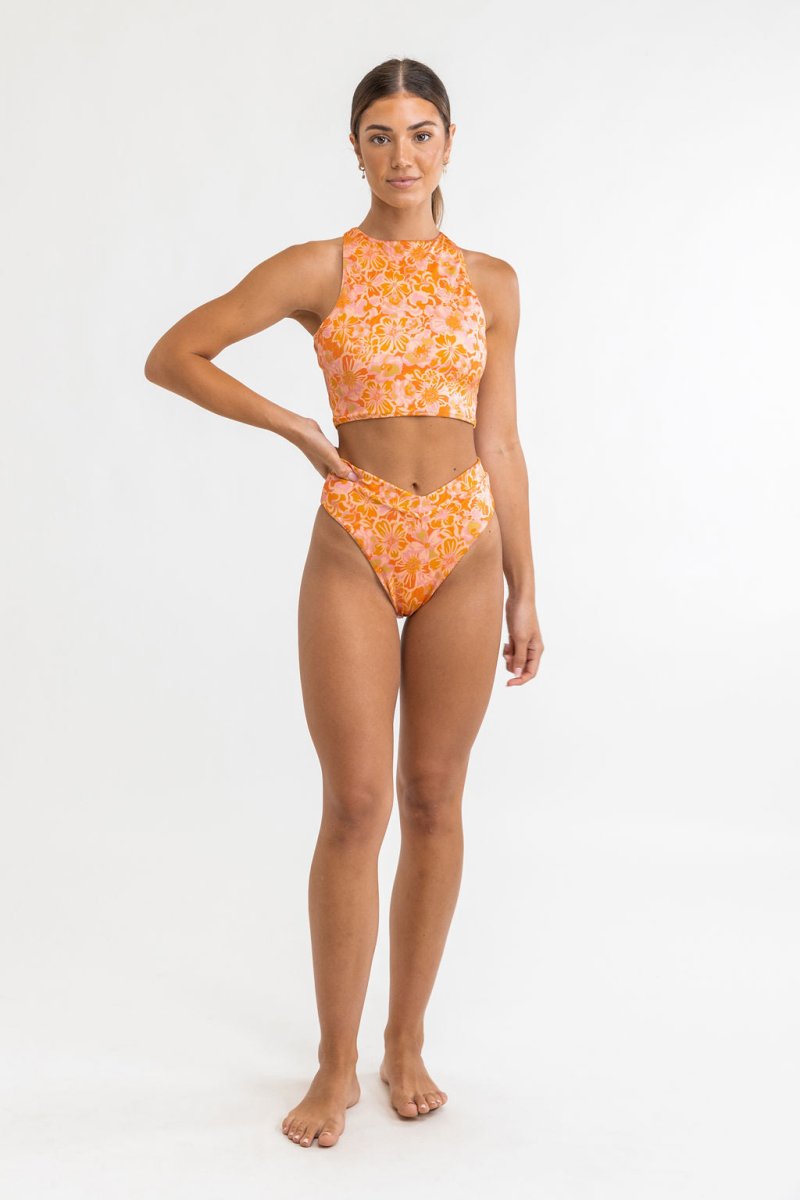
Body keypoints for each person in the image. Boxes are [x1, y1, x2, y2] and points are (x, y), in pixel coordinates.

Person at [144, 56, 543, 1150]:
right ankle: (333, 1064)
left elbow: (503, 439)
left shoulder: (493, 283)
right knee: (357, 806)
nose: (401, 155)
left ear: (448, 145)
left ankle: (404, 1042)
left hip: (464, 545)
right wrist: (291, 425)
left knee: (434, 799)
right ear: (355, 149)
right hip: (355, 541)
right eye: (379, 135)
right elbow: (174, 355)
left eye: (420, 134)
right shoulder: (319, 267)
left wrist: (525, 584)